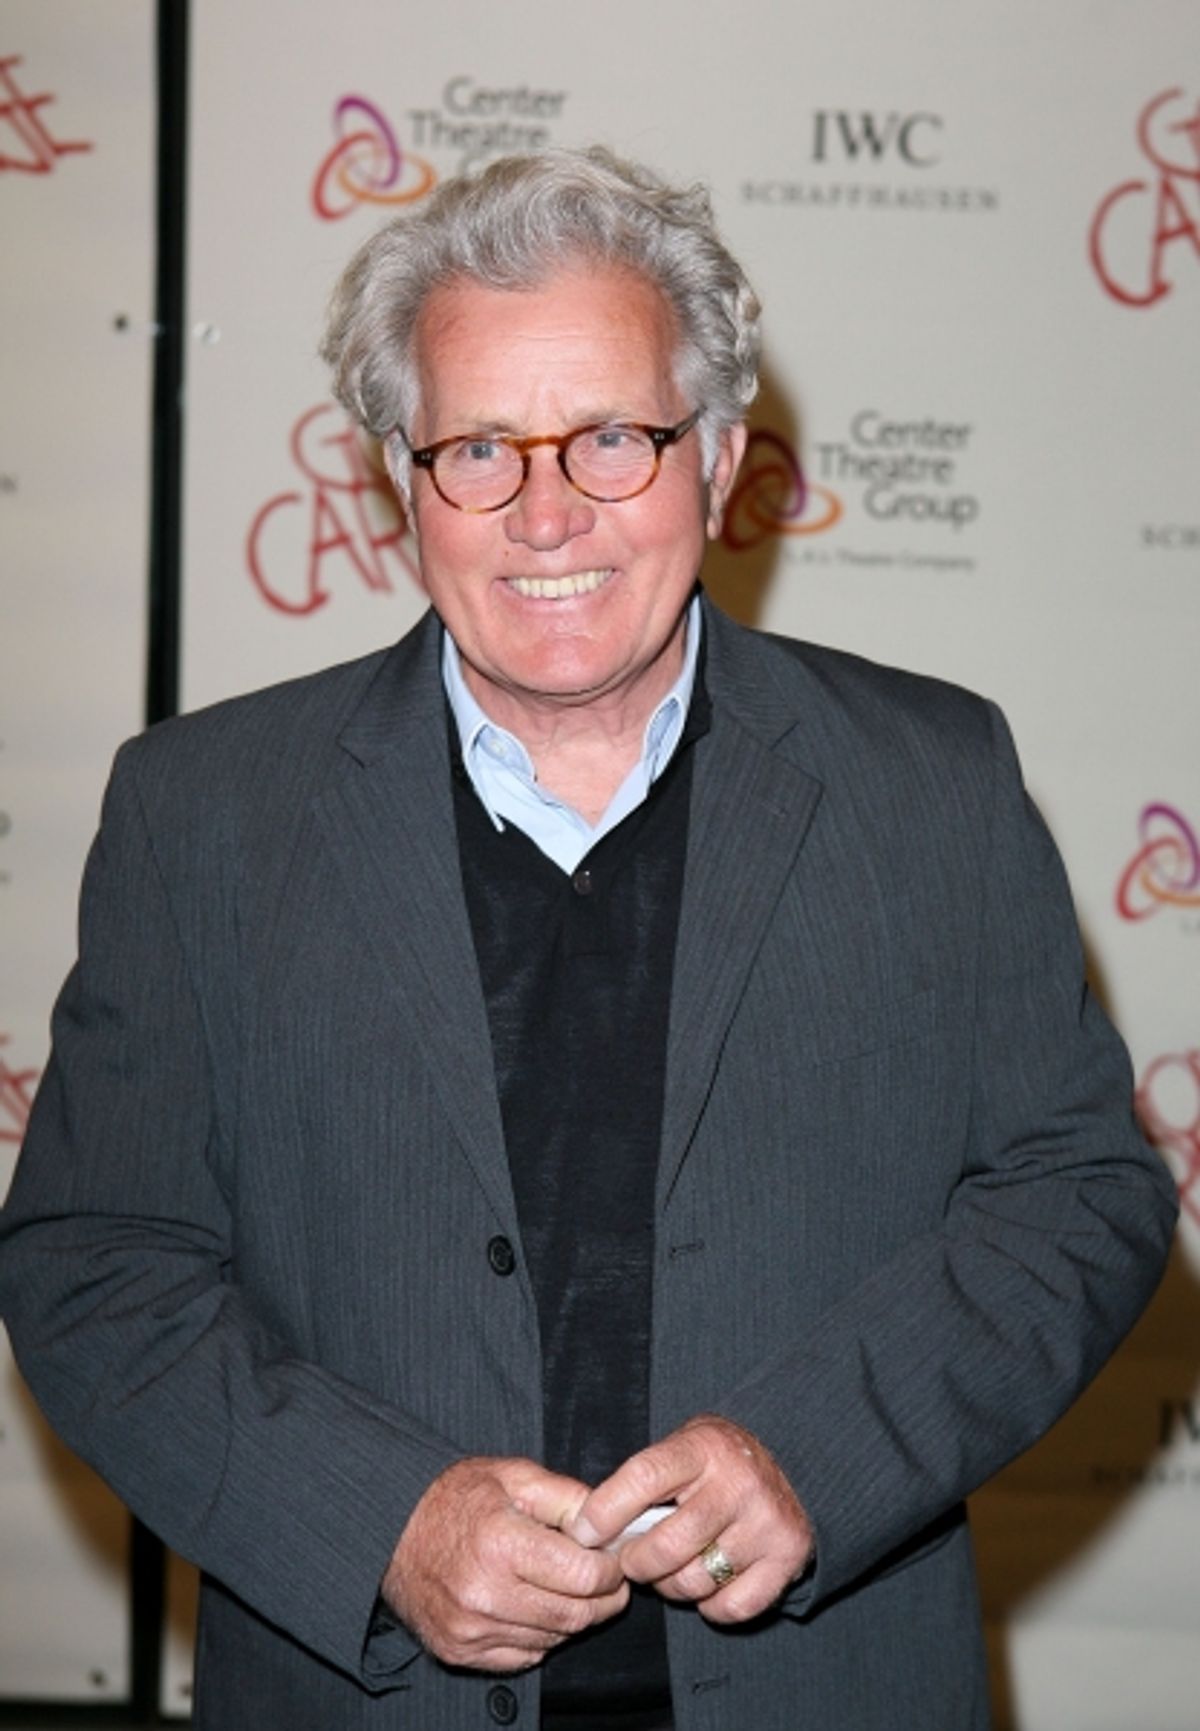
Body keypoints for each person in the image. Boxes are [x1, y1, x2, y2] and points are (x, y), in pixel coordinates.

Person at [0, 147, 1177, 1731]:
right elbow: (95, 1261)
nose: (547, 513)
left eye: (613, 437)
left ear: (717, 460)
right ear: (398, 478)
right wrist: (384, 1522)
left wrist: (818, 1459)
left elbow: (1078, 1192)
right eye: (479, 447)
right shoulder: (200, 815)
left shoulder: (932, 783)